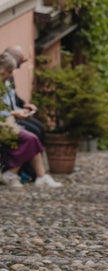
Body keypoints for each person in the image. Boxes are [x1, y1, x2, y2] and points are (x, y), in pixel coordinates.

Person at [0, 52, 61, 189]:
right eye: (9, 72)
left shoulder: (5, 83)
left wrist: (21, 109)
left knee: (33, 135)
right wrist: (14, 112)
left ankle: (38, 176)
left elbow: (10, 105)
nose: (11, 75)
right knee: (31, 138)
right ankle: (16, 174)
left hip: (8, 123)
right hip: (4, 124)